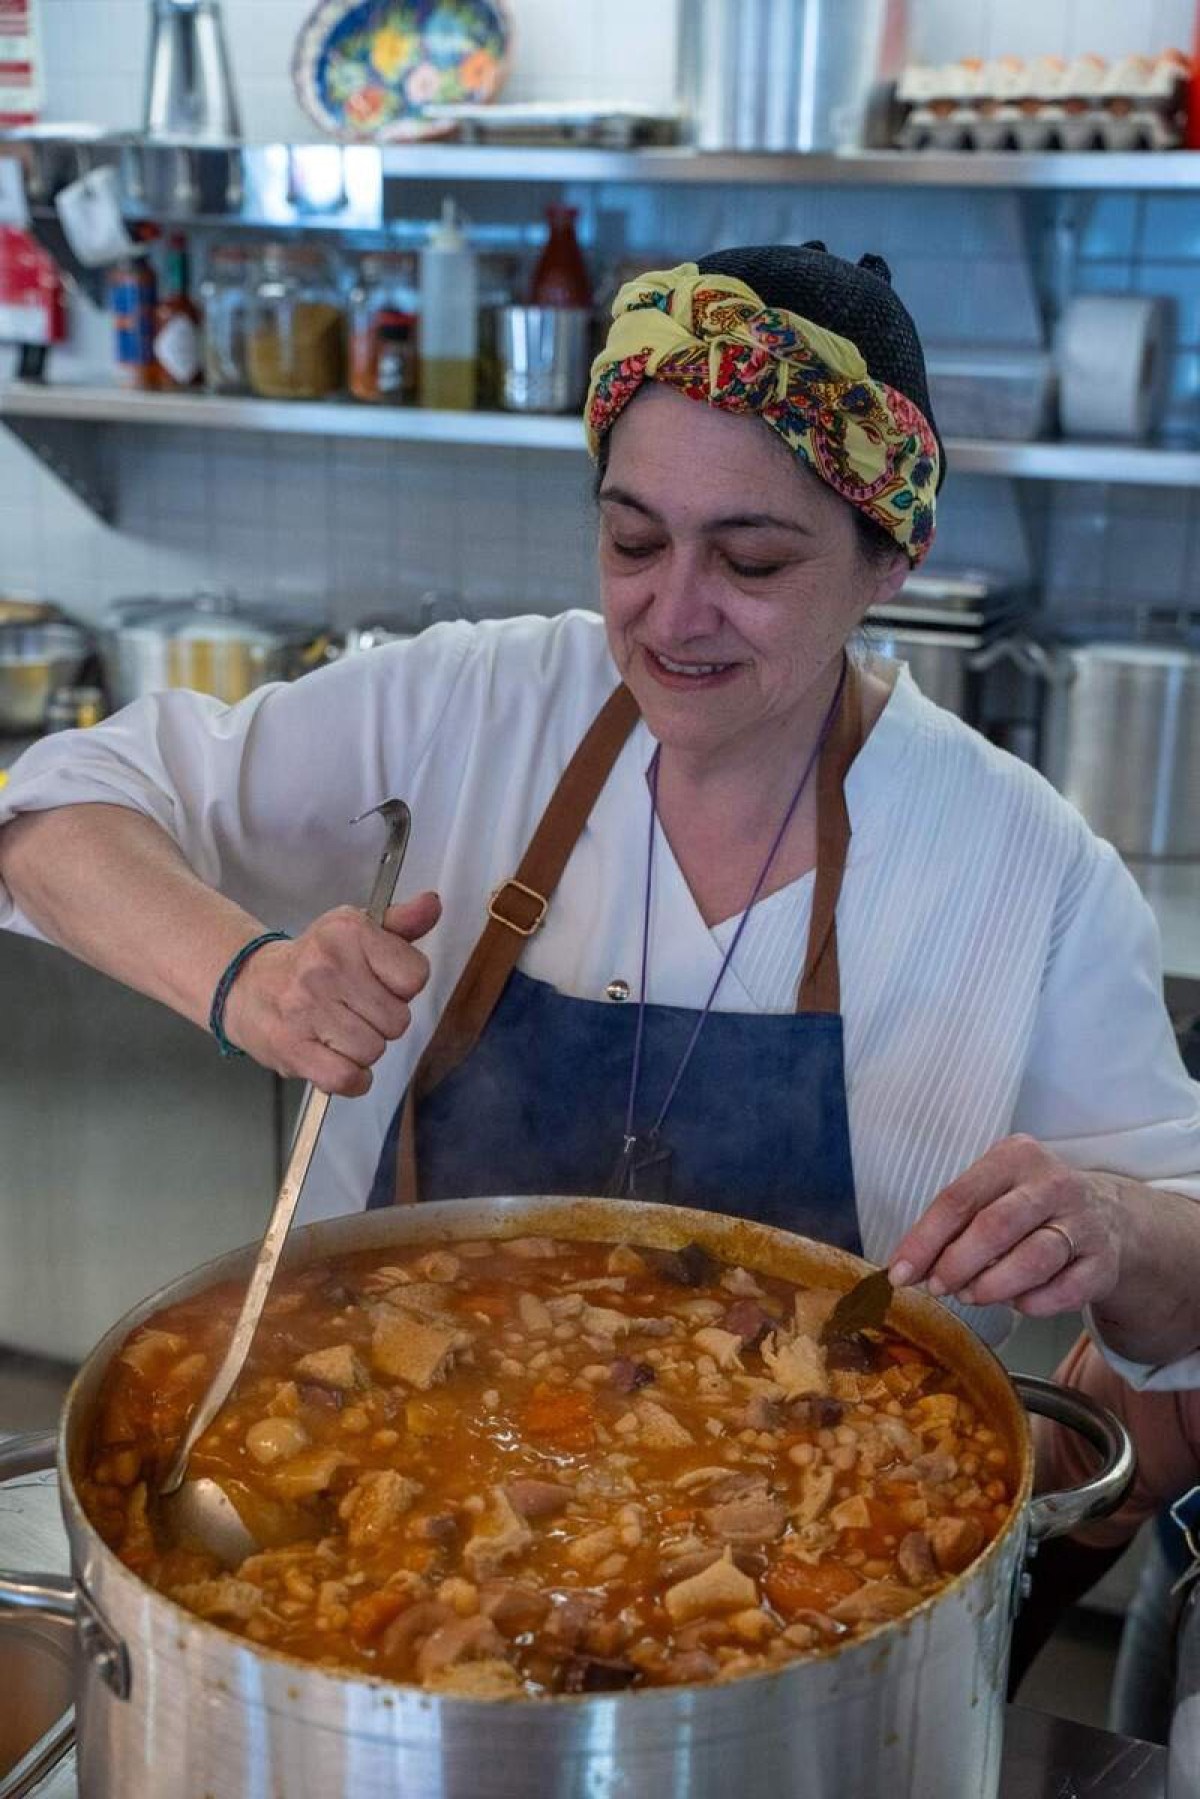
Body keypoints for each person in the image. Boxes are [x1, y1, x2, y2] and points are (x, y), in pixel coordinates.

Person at [1, 242, 1200, 1387]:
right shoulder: (468, 705)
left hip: (828, 1558)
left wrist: (1118, 1227)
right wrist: (248, 979)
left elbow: (1184, 1303)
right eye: (633, 540)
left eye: (753, 562)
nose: (673, 615)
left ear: (890, 558)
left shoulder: (1026, 872)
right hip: (381, 1465)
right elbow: (54, 812)